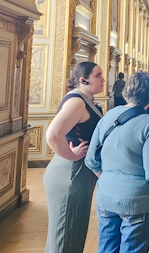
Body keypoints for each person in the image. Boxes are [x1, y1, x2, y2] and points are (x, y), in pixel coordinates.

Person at [84, 71, 149, 253]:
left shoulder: (109, 115)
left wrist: (107, 178)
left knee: (107, 249)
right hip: (138, 202)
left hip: (106, 197)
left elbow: (91, 160)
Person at [43, 61, 104, 253]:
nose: (103, 80)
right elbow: (52, 135)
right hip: (70, 175)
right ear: (83, 80)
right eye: (98, 75)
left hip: (77, 174)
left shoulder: (84, 100)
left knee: (72, 233)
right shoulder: (77, 102)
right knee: (65, 237)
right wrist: (72, 154)